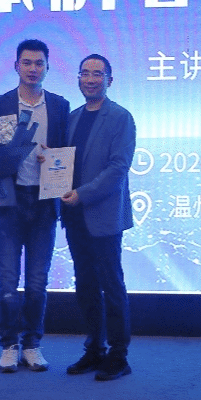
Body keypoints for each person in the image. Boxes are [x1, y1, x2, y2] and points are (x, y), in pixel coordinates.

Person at [0, 39, 69, 374]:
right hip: (10, 202)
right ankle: (9, 345)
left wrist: (55, 158)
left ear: (48, 67)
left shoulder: (59, 106)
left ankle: (32, 344)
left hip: (44, 203)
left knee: (36, 284)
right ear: (16, 66)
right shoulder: (0, 103)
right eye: (27, 62)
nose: (33, 69)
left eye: (39, 63)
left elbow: (67, 151)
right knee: (7, 283)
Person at [60, 54, 136, 381]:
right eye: (85, 73)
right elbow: (62, 163)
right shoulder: (73, 118)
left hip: (103, 215)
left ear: (109, 80)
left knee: (111, 284)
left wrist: (83, 194)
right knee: (86, 285)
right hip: (74, 215)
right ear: (78, 78)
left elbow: (118, 168)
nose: (90, 79)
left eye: (97, 74)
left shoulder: (120, 117)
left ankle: (119, 356)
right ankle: (94, 350)